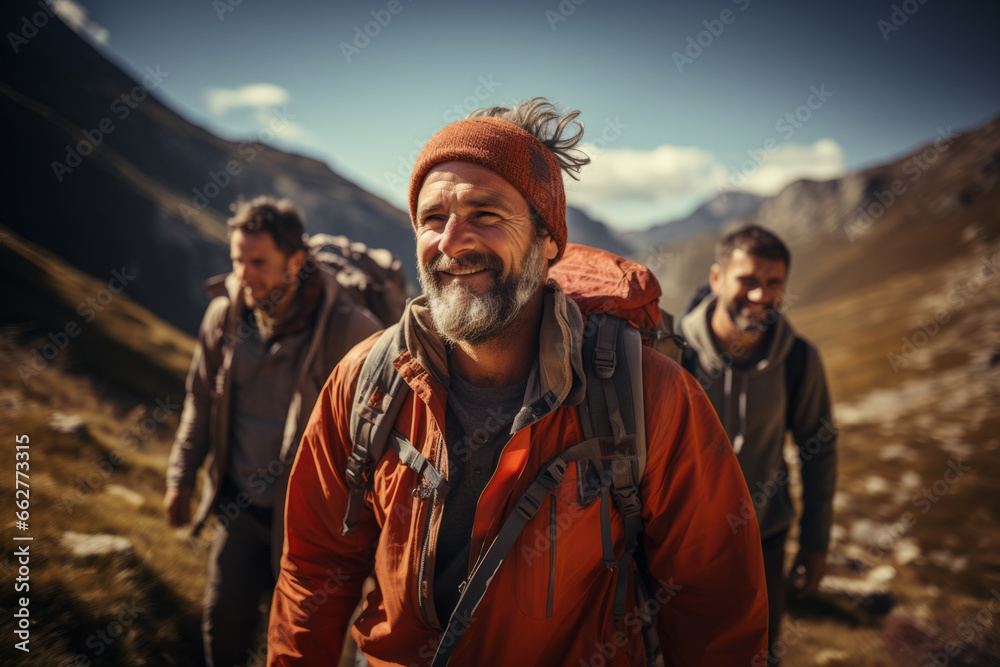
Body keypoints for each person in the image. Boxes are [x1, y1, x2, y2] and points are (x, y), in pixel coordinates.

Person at [267, 99, 768, 666]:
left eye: (485, 214)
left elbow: (714, 606)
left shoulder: (651, 395)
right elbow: (314, 571)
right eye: (432, 219)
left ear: (548, 241)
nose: (452, 241)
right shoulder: (364, 383)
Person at [163, 196, 382, 667]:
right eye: (237, 260)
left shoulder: (353, 331)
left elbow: (380, 437)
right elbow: (199, 400)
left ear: (295, 261)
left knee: (295, 650)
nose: (244, 274)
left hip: (312, 531)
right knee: (222, 630)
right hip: (240, 512)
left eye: (258, 262)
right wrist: (180, 477)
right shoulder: (223, 317)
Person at [678, 225, 838, 662]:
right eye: (747, 280)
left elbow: (818, 449)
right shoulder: (672, 356)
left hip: (764, 539)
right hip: (678, 546)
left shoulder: (800, 359)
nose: (759, 296)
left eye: (773, 284)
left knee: (758, 653)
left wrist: (815, 543)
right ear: (717, 279)